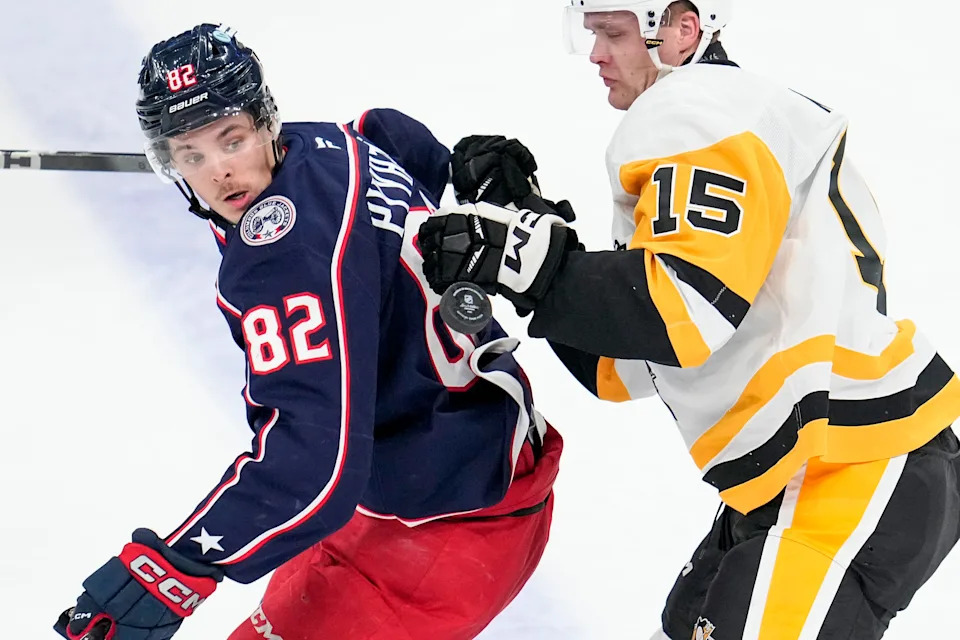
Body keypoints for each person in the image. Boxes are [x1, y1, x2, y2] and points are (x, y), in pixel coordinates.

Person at [418, 1, 960, 638]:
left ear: (682, 29)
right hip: (803, 479)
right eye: (591, 34)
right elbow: (625, 363)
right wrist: (526, 225)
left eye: (613, 34)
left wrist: (520, 259)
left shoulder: (699, 107)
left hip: (850, 469)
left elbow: (679, 310)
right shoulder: (734, 120)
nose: (596, 55)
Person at [54, 23, 562, 640]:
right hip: (461, 466)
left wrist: (173, 570)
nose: (219, 172)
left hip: (441, 533)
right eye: (192, 155)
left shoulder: (283, 263)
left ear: (265, 120)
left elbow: (316, 461)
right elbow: (399, 140)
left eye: (231, 139)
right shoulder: (340, 144)